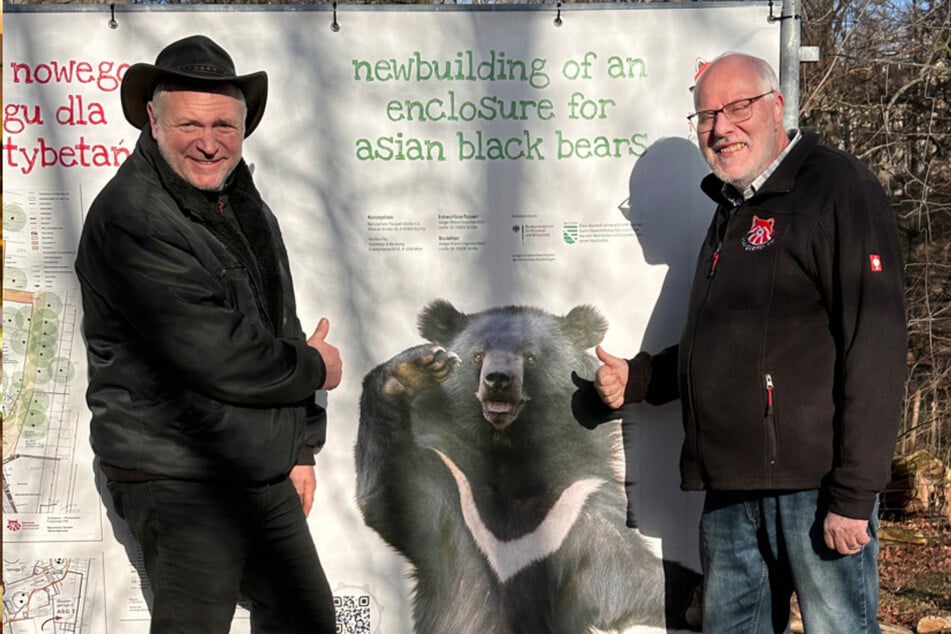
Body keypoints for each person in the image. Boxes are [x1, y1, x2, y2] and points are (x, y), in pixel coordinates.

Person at [594, 52, 906, 633]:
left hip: (815, 492)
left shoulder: (836, 189)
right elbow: (727, 346)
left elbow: (876, 347)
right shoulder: (733, 205)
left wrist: (854, 494)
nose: (720, 127)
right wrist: (638, 378)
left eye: (737, 107)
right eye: (707, 115)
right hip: (731, 492)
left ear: (777, 105)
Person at [75, 35, 342, 633]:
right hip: (180, 474)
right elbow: (218, 354)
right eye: (190, 124)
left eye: (224, 125)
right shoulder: (131, 219)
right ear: (152, 118)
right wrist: (315, 368)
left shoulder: (240, 202)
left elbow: (281, 320)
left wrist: (300, 446)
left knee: (305, 619)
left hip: (257, 467)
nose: (208, 142)